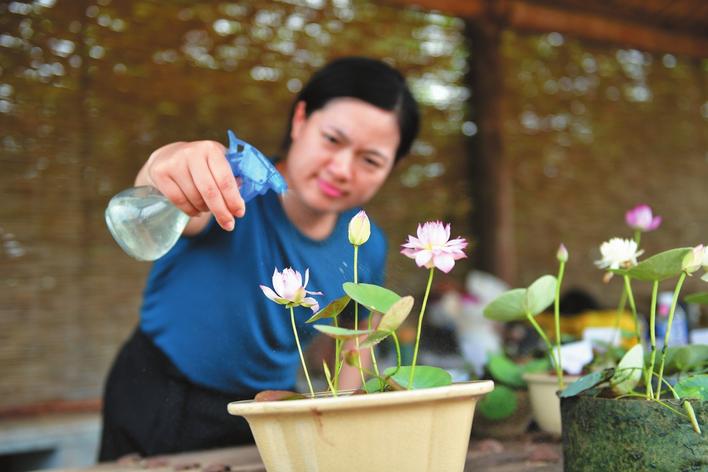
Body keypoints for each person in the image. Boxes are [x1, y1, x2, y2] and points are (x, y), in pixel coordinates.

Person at [98, 56, 420, 461]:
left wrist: (352, 418)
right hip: (161, 395)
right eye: (333, 140)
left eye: (370, 160)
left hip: (266, 413)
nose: (341, 169)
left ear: (391, 168)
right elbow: (170, 189)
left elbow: (355, 342)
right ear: (301, 119)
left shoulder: (366, 245)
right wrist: (170, 162)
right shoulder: (232, 187)